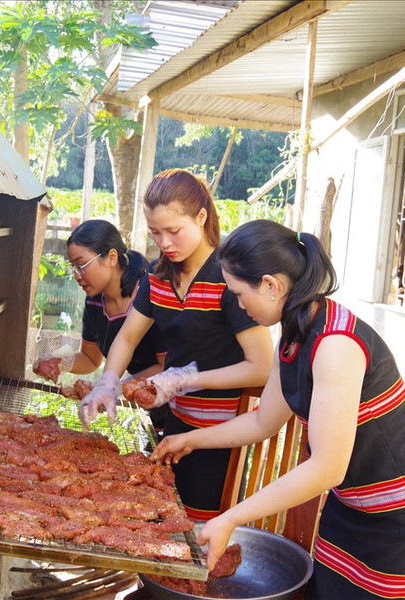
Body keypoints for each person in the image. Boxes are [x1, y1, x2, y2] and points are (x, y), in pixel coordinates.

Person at [151, 219, 405, 599]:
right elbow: (263, 420)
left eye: (238, 293)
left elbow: (327, 468)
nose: (237, 303)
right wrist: (191, 439)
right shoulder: (295, 332)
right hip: (350, 508)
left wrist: (232, 517)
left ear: (271, 285)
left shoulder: (335, 343)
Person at [79, 169, 273, 522]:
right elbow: (128, 335)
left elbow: (261, 366)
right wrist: (108, 381)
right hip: (178, 422)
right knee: (167, 520)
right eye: (155, 232)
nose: (164, 242)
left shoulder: (230, 278)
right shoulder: (157, 276)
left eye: (174, 231)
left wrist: (186, 379)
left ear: (201, 217)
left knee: (203, 530)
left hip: (223, 432)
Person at [32, 220, 169, 427]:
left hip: (177, 404)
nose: (77, 275)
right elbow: (90, 358)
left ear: (111, 257)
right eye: (73, 267)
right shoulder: (95, 302)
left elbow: (165, 366)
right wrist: (59, 362)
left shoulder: (149, 295)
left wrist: (114, 388)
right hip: (149, 408)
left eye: (82, 265)